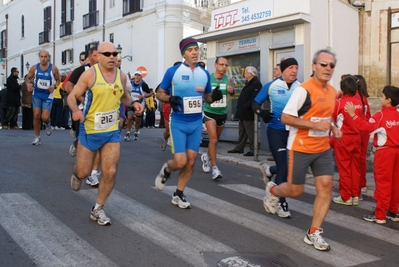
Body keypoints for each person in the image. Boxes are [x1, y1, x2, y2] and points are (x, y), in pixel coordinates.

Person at [263, 48, 342, 251]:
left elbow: (326, 117)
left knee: (325, 187)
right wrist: (315, 126)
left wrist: (333, 127)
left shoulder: (333, 92)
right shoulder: (303, 90)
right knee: (295, 190)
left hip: (323, 149)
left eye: (331, 65)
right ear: (314, 66)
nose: (327, 68)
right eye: (323, 64)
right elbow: (286, 118)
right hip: (300, 147)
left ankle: (313, 232)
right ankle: (272, 189)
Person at [68, 41, 143, 225]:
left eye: (115, 54)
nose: (112, 57)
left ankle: (98, 208)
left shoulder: (122, 76)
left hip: (111, 131)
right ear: (98, 56)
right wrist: (76, 111)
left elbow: (123, 96)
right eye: (107, 54)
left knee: (110, 171)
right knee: (84, 171)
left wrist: (133, 103)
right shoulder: (89, 75)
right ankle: (77, 174)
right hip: (90, 129)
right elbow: (71, 96)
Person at [154, 37, 222, 209]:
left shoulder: (204, 74)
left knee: (191, 161)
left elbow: (206, 97)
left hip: (196, 123)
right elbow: (159, 93)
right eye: (191, 50)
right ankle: (167, 169)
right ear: (184, 53)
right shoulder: (173, 71)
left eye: (196, 49)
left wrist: (213, 97)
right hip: (178, 122)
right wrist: (170, 98)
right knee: (180, 161)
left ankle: (178, 193)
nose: (195, 52)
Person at [254, 57, 301, 218]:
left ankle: (269, 170)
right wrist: (263, 113)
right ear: (283, 70)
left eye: (296, 68)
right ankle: (281, 202)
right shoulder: (271, 86)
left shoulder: (301, 88)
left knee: (290, 168)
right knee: (285, 168)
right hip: (276, 131)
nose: (294, 71)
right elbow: (254, 104)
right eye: (291, 68)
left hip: (294, 133)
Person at [345, 85, 399, 224]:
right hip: (397, 151)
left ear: (388, 100)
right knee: (395, 183)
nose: (380, 99)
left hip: (385, 152)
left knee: (383, 183)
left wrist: (353, 114)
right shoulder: (398, 115)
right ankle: (393, 211)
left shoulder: (381, 115)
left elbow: (365, 127)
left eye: (382, 96)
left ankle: (380, 215)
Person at [65, 46, 101, 187]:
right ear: (90, 57)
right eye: (97, 55)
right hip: (85, 112)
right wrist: (80, 99)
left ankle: (93, 174)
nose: (100, 58)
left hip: (101, 114)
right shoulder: (82, 71)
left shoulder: (108, 72)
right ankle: (80, 168)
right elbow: (68, 86)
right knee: (85, 144)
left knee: (98, 144)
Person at [331, 75, 364, 206]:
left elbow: (332, 116)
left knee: (344, 168)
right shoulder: (359, 102)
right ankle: (355, 194)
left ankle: (346, 196)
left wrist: (336, 98)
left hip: (343, 137)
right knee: (355, 168)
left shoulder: (339, 103)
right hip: (357, 137)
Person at [201, 56, 234, 180]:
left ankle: (206, 156)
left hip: (222, 113)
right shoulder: (208, 78)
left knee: (215, 140)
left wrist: (231, 91)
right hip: (209, 112)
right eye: (221, 64)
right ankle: (215, 169)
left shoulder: (228, 79)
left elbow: (232, 93)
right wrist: (210, 97)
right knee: (213, 140)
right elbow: (203, 95)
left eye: (225, 65)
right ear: (215, 65)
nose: (224, 67)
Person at [25, 50, 61, 145]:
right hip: (37, 94)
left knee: (44, 117)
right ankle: (37, 138)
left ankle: (47, 124)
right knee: (36, 115)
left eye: (45, 57)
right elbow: (27, 78)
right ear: (39, 57)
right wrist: (28, 84)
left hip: (48, 95)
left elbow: (58, 80)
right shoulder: (34, 68)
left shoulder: (53, 68)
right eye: (41, 56)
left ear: (48, 57)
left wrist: (54, 86)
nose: (43, 59)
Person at [227, 66, 262, 156]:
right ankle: (239, 147)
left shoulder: (256, 84)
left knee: (251, 131)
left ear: (251, 74)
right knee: (242, 131)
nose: (245, 74)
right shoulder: (248, 83)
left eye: (246, 72)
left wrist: (246, 106)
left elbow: (254, 98)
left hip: (248, 112)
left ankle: (254, 149)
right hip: (243, 111)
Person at [354, 74, 371, 195]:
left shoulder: (357, 99)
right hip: (365, 130)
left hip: (359, 130)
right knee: (361, 159)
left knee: (357, 159)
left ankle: (358, 185)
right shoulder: (364, 98)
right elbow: (368, 116)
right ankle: (362, 183)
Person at [123, 70, 151, 141]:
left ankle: (136, 132)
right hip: (131, 103)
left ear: (141, 77)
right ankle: (128, 132)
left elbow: (150, 93)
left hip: (140, 105)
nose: (137, 77)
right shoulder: (130, 84)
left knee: (137, 119)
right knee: (129, 117)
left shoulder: (143, 85)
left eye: (138, 75)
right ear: (134, 76)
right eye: (136, 75)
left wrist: (143, 96)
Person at [160, 61, 181, 151]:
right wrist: (168, 97)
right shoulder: (169, 78)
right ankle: (165, 138)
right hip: (168, 105)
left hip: (182, 106)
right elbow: (159, 92)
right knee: (168, 131)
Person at [266, 63, 282, 162]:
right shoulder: (271, 84)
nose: (274, 70)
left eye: (276, 69)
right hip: (273, 116)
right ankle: (274, 153)